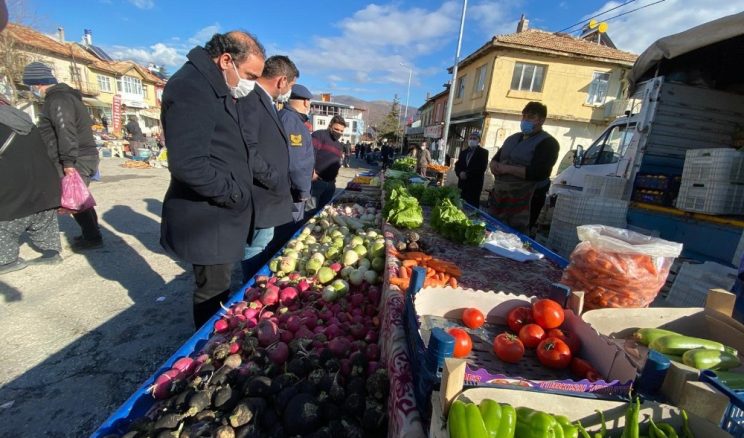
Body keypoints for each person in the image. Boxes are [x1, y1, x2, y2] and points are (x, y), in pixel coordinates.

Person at [160, 31, 265, 328]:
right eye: (250, 75)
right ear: (226, 60)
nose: (252, 84)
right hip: (208, 217)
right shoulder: (191, 87)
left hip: (216, 214)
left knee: (218, 286)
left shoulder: (211, 85)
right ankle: (205, 351)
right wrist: (234, 194)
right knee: (212, 292)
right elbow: (188, 163)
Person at [23, 61, 103, 250]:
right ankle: (92, 234)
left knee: (75, 198)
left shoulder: (58, 99)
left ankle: (93, 237)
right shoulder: (65, 97)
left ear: (37, 84)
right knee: (79, 197)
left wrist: (68, 162)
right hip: (80, 155)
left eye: (31, 86)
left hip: (76, 158)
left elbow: (65, 130)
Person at [239, 55, 298, 283]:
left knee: (261, 247)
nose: (288, 92)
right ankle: (249, 291)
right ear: (282, 81)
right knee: (254, 251)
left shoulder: (266, 102)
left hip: (268, 197)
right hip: (260, 196)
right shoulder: (251, 100)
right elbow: (247, 150)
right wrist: (275, 179)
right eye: (290, 86)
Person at [0, 93, 62, 275]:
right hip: (45, 180)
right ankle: (51, 252)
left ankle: (6, 260)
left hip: (12, 185)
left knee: (6, 224)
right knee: (43, 219)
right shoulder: (25, 120)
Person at [488, 102, 559, 234]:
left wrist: (507, 169)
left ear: (541, 120)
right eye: (524, 116)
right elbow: (498, 157)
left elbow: (539, 173)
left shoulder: (548, 143)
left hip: (525, 200)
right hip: (501, 195)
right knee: (493, 229)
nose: (525, 120)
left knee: (515, 235)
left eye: (531, 117)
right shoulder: (512, 138)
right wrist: (493, 164)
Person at [279, 84, 314, 223]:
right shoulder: (292, 122)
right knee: (288, 228)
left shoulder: (285, 116)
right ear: (306, 102)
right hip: (292, 192)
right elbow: (296, 161)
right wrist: (303, 190)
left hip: (287, 188)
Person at [311, 115, 346, 212]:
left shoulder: (339, 145)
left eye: (341, 131)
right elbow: (309, 154)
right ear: (330, 125)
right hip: (317, 183)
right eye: (336, 129)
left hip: (330, 185)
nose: (339, 132)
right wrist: (311, 172)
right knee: (309, 211)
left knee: (323, 212)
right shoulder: (319, 135)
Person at [454, 131, 489, 208]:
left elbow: (482, 168)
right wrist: (459, 173)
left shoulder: (483, 152)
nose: (472, 140)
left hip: (474, 185)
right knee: (460, 206)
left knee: (472, 207)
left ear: (479, 140)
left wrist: (467, 174)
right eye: (471, 138)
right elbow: (457, 165)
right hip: (462, 184)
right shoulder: (464, 152)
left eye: (474, 138)